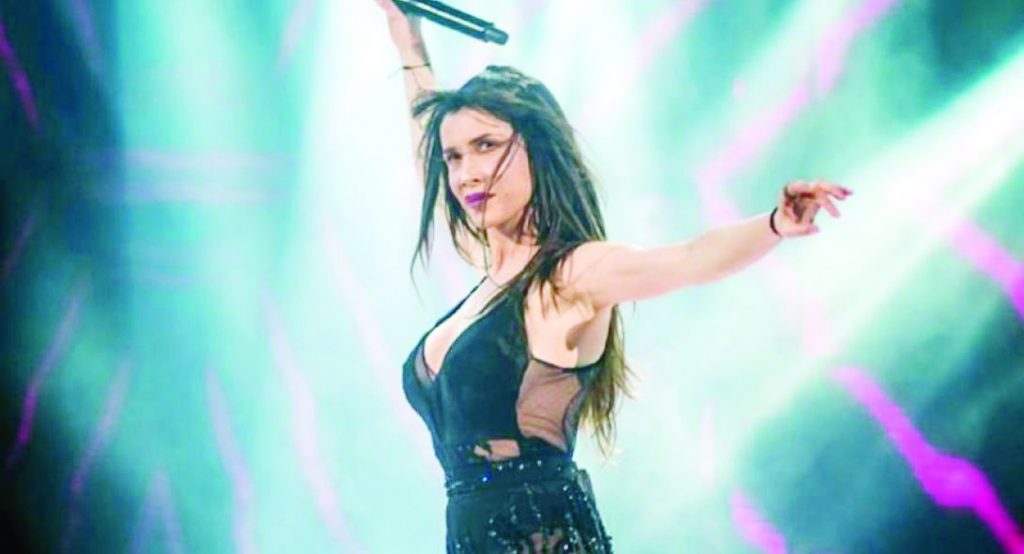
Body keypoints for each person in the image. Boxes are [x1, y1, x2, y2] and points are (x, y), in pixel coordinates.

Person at [373, 2, 851, 551]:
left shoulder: (569, 274)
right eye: (454, 157)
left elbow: (687, 259)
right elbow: (427, 144)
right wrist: (405, 36)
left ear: (538, 149)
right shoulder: (490, 278)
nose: (466, 174)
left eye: (486, 146)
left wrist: (774, 224)